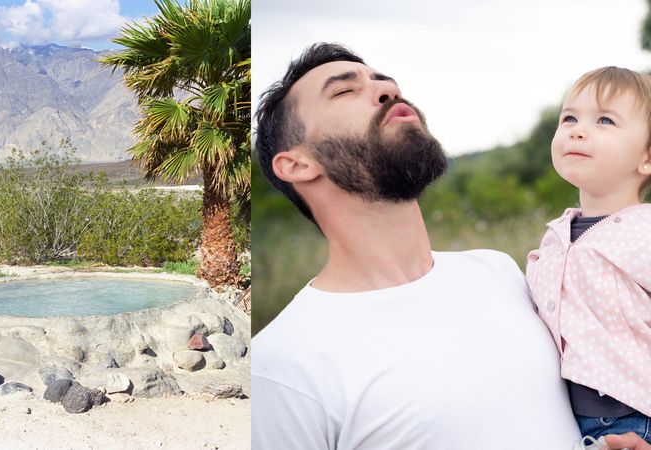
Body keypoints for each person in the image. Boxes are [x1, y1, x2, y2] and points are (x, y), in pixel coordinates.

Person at [251, 43, 651, 450]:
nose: (388, 89)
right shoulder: (280, 366)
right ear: (297, 164)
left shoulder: (499, 273)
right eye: (344, 91)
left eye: (384, 81)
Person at [526, 66, 651, 446]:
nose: (577, 130)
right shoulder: (554, 239)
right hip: (566, 423)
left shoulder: (644, 231)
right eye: (569, 118)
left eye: (605, 120)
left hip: (636, 418)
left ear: (647, 158)